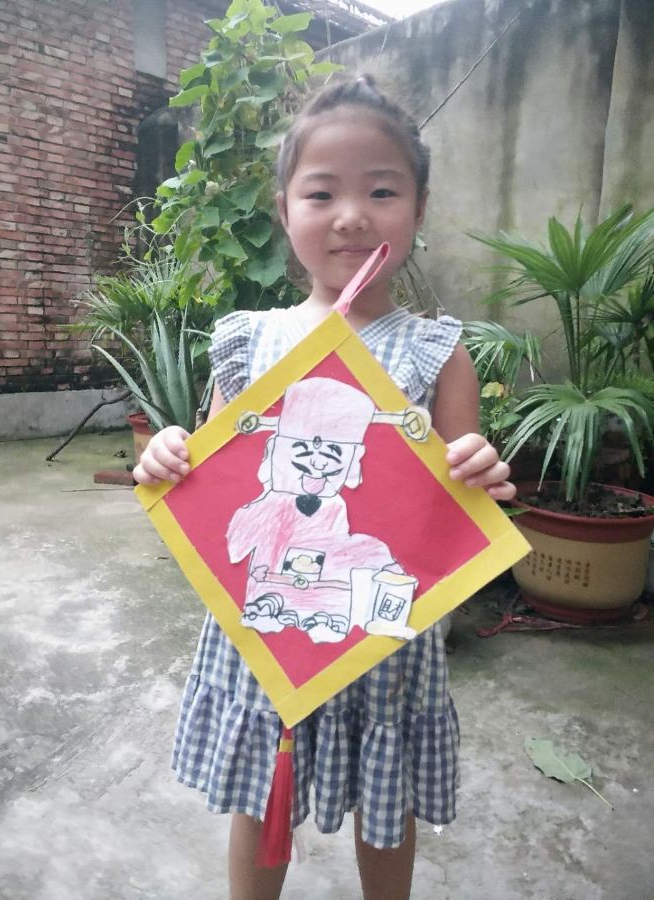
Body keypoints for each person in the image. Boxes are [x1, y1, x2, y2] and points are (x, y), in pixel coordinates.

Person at [134, 75, 515, 900]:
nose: (351, 215)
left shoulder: (437, 351)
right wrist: (168, 454)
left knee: (388, 802)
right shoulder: (248, 342)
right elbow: (213, 466)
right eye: (321, 193)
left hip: (381, 637)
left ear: (418, 208)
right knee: (259, 794)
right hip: (267, 622)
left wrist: (478, 469)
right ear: (283, 211)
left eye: (381, 191)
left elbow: (458, 494)